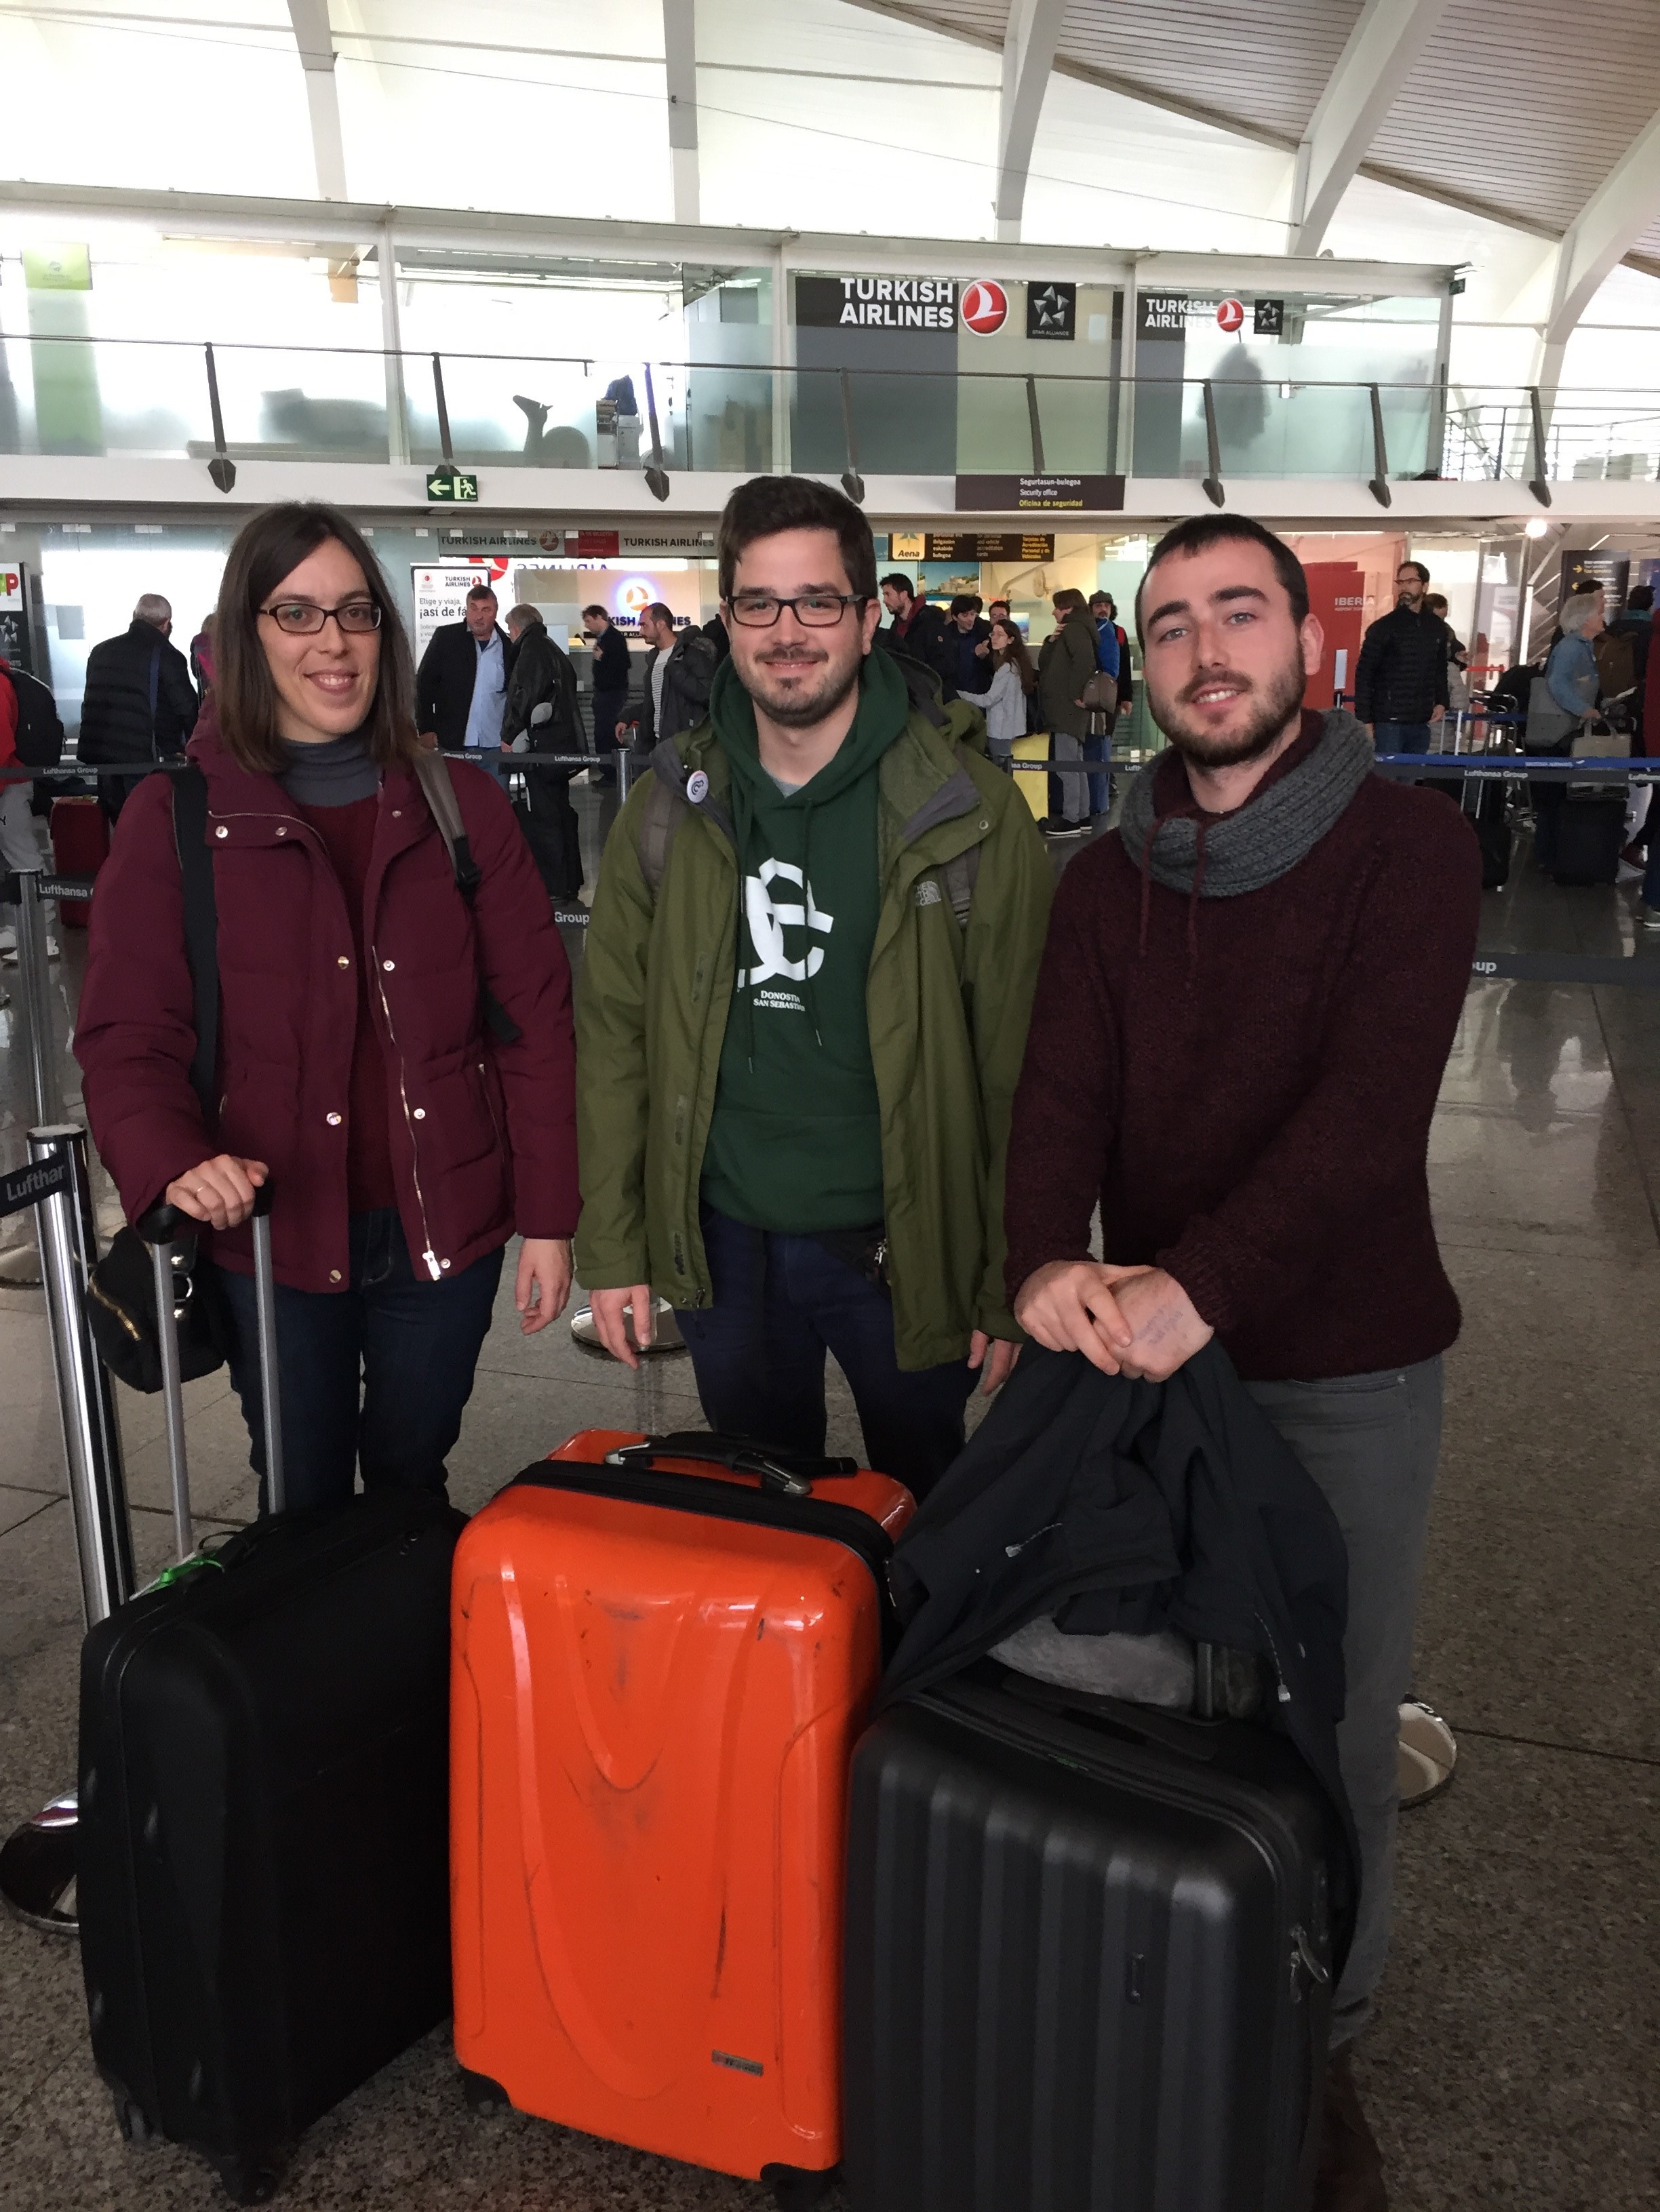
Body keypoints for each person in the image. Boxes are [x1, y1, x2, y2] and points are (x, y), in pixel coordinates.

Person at [1003, 511, 1481, 2212]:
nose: (1207, 653)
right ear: (1140, 664)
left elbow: (1366, 1116)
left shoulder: (1409, 852)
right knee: (1156, 1690)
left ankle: (1317, 2046)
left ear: (1305, 640)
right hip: (1149, 1359)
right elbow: (1057, 1097)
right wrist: (1039, 1264)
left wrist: (1196, 1284)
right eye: (1172, 626)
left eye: (1239, 614)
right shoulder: (1106, 877)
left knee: (1333, 1718)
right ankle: (1174, 1972)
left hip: (1344, 1365)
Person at [75, 501, 579, 1513]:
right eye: (296, 613)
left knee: (410, 1484)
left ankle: (400, 1613)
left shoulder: (462, 805)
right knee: (298, 1494)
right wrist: (173, 1160)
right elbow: (130, 1034)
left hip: (444, 1223)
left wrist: (551, 1219)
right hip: (271, 1235)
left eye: (355, 611)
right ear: (247, 635)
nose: (333, 642)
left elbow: (533, 1022)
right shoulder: (178, 817)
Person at [574, 474, 1052, 1493]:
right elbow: (614, 1038)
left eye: (819, 601)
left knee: (929, 1507)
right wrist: (613, 1244)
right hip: (723, 1242)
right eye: (760, 602)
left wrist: (1010, 1271)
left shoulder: (967, 812)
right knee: (763, 1512)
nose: (788, 631)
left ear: (869, 618)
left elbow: (1022, 1067)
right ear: (727, 619)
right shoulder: (670, 805)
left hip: (905, 1238)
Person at [77, 592, 199, 826]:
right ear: (166, 623)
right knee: (149, 827)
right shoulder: (167, 655)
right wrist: (195, 748)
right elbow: (186, 708)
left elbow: (90, 703)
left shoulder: (101, 651)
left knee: (121, 827)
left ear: (135, 616)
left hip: (105, 760)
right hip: (146, 761)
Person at [502, 603, 584, 902]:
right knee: (561, 811)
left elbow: (523, 694)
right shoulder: (552, 648)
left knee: (545, 815)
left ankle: (554, 885)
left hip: (542, 746)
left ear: (516, 628)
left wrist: (509, 734)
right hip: (561, 744)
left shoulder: (531, 651)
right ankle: (570, 881)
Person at [1531, 589, 1604, 872]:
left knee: (1554, 798)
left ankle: (1551, 856)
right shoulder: (1573, 647)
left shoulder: (1579, 646)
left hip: (1563, 732)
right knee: (1554, 798)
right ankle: (1550, 857)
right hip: (1560, 733)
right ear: (1585, 619)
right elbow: (1557, 683)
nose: (1603, 616)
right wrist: (1584, 709)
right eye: (1598, 612)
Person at [0, 651, 64, 960]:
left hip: (8, 783)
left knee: (22, 854)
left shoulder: (1, 685)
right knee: (10, 857)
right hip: (10, 781)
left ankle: (41, 933)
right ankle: (17, 926)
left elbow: (2, 744)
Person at [415, 584, 513, 775]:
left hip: (495, 746)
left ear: (495, 612)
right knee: (455, 794)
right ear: (466, 609)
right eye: (473, 608)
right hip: (453, 744)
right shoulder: (446, 638)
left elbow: (515, 695)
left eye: (486, 609)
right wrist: (426, 729)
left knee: (496, 795)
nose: (478, 616)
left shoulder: (508, 647)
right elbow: (424, 685)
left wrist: (512, 735)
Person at [1354, 559, 1449, 754]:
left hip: (1421, 722)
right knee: (1387, 773)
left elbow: (1440, 668)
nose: (1404, 587)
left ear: (1425, 586)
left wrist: (1442, 701)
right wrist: (1365, 720)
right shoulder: (1383, 628)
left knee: (1412, 774)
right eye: (1400, 582)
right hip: (1388, 722)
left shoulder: (1436, 627)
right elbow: (1364, 674)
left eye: (1410, 581)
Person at [1035, 586, 1096, 837]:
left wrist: (1075, 694)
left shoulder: (1074, 629)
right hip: (1067, 708)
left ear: (1069, 608)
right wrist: (1051, 641)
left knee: (1066, 764)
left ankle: (1072, 819)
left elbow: (1085, 660)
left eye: (1058, 607)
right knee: (1075, 763)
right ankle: (1082, 815)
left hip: (1066, 709)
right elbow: (1046, 663)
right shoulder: (1072, 630)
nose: (1053, 612)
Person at [633, 601, 718, 751]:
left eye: (644, 625)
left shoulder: (691, 654)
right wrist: (628, 717)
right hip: (659, 744)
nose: (640, 631)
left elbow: (707, 694)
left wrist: (677, 672)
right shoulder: (654, 658)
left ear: (661, 625)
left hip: (684, 745)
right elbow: (656, 703)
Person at [873, 572, 954, 693]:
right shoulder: (896, 626)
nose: (884, 600)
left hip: (933, 696)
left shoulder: (931, 623)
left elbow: (945, 665)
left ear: (903, 595)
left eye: (888, 594)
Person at [581, 603, 632, 784]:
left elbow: (624, 664)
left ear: (598, 618)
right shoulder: (604, 638)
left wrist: (603, 658)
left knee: (607, 733)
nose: (587, 625)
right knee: (603, 733)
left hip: (612, 693)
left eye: (588, 621)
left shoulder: (614, 638)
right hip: (604, 693)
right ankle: (610, 771)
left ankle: (614, 772)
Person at [1086, 589, 1125, 818]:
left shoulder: (1114, 631)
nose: (1103, 609)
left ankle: (1106, 785)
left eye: (1106, 606)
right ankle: (1105, 785)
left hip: (1107, 697)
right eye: (1098, 605)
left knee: (1103, 741)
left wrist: (1125, 697)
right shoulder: (1093, 629)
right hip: (1099, 696)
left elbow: (1122, 669)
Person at [981, 617, 1035, 764]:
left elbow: (989, 700)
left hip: (1001, 728)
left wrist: (960, 694)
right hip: (1011, 726)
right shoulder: (1017, 663)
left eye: (1000, 635)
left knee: (1001, 767)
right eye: (993, 634)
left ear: (1011, 640)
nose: (994, 638)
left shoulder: (1006, 667)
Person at [1424, 592, 1470, 724]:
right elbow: (1460, 701)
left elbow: (1454, 648)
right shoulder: (1443, 631)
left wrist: (1457, 656)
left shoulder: (1445, 630)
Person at [945, 593, 993, 700]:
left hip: (981, 695)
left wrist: (986, 656)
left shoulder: (985, 632)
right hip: (955, 695)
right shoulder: (946, 636)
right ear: (955, 617)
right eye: (965, 615)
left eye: (972, 614)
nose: (970, 619)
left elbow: (996, 665)